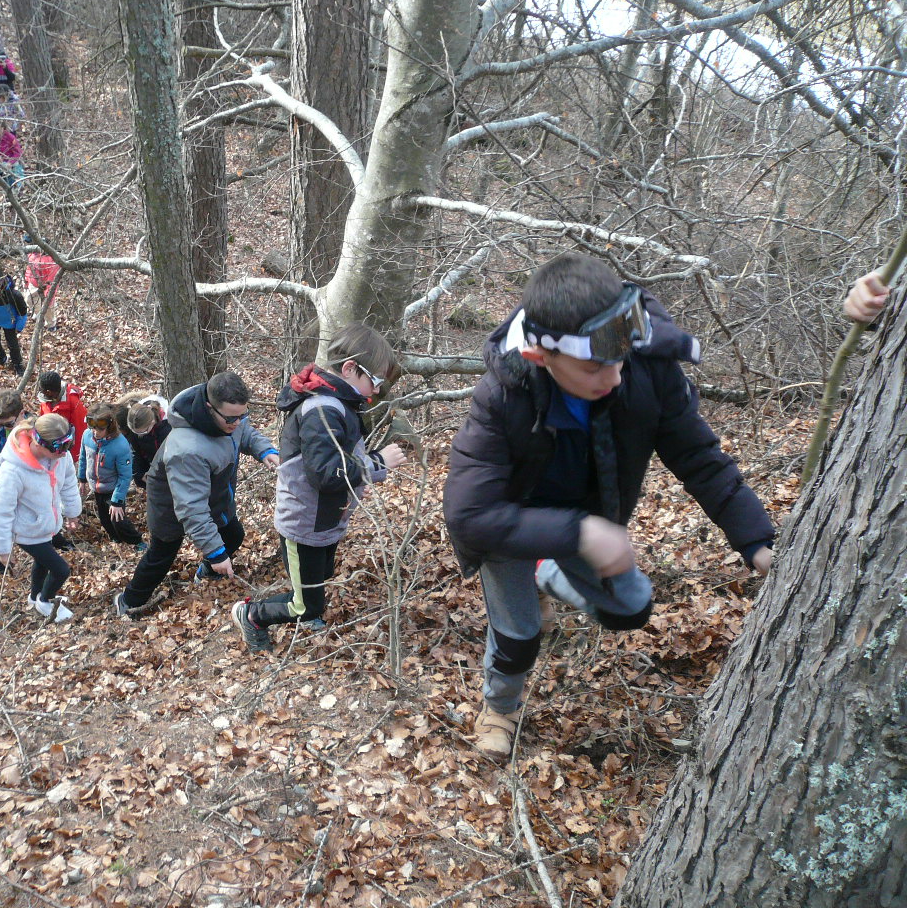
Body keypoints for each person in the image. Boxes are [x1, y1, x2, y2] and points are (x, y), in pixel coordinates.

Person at [443, 252, 775, 761]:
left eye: (621, 358)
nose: (615, 376)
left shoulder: (645, 368)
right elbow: (469, 515)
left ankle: (545, 572)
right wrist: (580, 534)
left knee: (631, 608)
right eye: (595, 366)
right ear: (540, 356)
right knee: (518, 634)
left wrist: (756, 540)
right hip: (512, 525)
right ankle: (499, 707)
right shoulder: (503, 395)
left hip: (590, 520)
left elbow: (699, 458)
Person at [230, 325, 408, 652]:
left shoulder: (340, 404)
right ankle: (252, 615)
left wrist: (359, 480)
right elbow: (326, 473)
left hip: (326, 517)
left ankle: (307, 604)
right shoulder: (322, 409)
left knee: (320, 573)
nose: (377, 390)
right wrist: (377, 463)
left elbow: (339, 460)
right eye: (375, 380)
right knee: (306, 604)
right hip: (304, 522)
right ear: (350, 368)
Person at [114, 371, 280, 618]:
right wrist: (216, 553)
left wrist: (265, 451)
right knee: (161, 556)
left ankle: (206, 572)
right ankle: (128, 601)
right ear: (210, 408)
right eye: (231, 418)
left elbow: (244, 432)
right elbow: (191, 508)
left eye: (242, 415)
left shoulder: (229, 419)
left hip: (215, 495)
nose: (237, 422)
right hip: (170, 507)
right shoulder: (187, 449)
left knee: (233, 535)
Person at [0, 414, 82, 618]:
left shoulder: (60, 457)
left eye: (68, 444)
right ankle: (45, 601)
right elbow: (1, 510)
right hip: (27, 531)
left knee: (42, 563)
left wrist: (72, 512)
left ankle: (34, 596)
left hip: (46, 526)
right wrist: (2, 548)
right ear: (39, 442)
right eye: (59, 448)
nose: (64, 452)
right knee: (61, 570)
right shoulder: (13, 470)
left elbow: (68, 483)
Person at [78, 404, 147, 550]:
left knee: (118, 519)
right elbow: (83, 457)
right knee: (104, 519)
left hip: (113, 489)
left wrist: (116, 501)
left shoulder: (120, 445)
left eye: (100, 429)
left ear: (109, 426)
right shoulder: (87, 436)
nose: (95, 432)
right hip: (97, 487)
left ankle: (137, 541)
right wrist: (82, 479)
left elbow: (125, 476)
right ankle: (116, 538)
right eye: (93, 428)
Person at [119, 393, 170, 491]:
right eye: (135, 432)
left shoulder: (168, 427)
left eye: (143, 432)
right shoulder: (136, 423)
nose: (139, 435)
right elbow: (136, 452)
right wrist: (140, 474)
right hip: (152, 475)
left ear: (152, 422)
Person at [37, 371, 88, 462]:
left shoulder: (73, 402)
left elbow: (80, 429)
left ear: (48, 392)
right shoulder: (45, 400)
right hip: (49, 446)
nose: (40, 392)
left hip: (65, 449)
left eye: (42, 390)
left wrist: (74, 457)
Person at [0, 388, 27, 454]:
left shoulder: (33, 433)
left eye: (9, 424)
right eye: (0, 424)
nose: (5, 428)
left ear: (21, 414)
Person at [0, 121, 24, 189]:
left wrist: (10, 163)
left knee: (16, 172)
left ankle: (17, 187)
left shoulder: (10, 137)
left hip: (9, 160)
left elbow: (17, 153)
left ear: (3, 129)